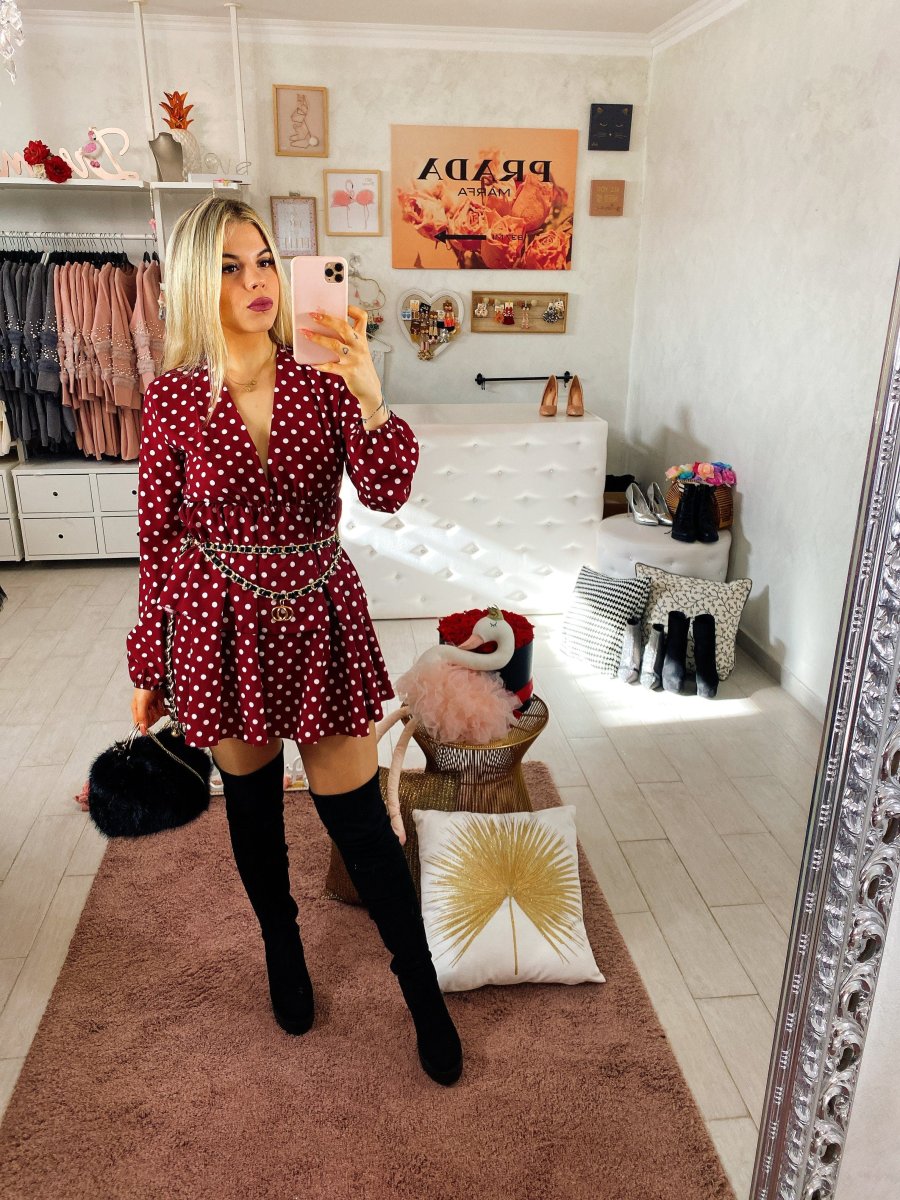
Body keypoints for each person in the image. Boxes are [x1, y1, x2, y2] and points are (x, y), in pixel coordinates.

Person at [126, 195, 462, 1086]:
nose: (257, 281)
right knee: (252, 807)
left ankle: (420, 989)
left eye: (266, 261)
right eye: (231, 267)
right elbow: (158, 539)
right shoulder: (172, 398)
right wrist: (148, 661)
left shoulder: (323, 377)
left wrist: (371, 393)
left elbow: (386, 492)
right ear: (196, 284)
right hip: (218, 625)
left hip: (318, 613)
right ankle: (283, 946)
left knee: (359, 821)